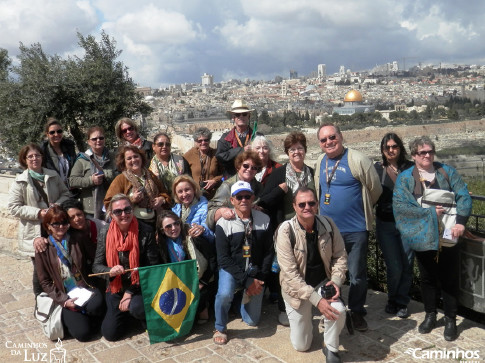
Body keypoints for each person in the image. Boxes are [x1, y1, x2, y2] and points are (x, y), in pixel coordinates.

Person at [393, 136, 472, 341]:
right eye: (422, 152)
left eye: (430, 151)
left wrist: (461, 222)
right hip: (422, 236)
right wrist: (429, 214)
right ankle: (430, 314)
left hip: (449, 234)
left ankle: (450, 319)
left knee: (449, 278)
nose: (427, 155)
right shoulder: (405, 178)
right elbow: (401, 208)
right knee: (427, 277)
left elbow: (463, 194)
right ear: (413, 155)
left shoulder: (447, 172)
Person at [314, 123, 382, 332]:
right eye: (324, 139)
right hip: (328, 230)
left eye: (332, 137)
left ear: (341, 137)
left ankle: (357, 311)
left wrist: (358, 210)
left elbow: (375, 190)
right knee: (330, 274)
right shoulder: (320, 161)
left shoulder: (357, 159)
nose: (329, 142)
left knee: (356, 274)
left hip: (355, 229)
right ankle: (337, 307)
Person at [276, 187, 347, 363]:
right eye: (302, 204)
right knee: (302, 345)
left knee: (338, 310)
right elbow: (290, 275)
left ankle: (330, 348)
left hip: (323, 282)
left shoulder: (328, 224)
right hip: (297, 290)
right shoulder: (286, 231)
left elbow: (340, 255)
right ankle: (296, 317)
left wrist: (336, 281)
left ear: (317, 204)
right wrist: (317, 301)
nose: (307, 207)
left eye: (311, 203)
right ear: (294, 206)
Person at [92, 194, 161, 341]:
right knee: (110, 334)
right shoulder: (104, 233)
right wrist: (109, 271)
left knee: (138, 308)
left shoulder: (145, 231)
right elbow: (96, 266)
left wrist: (130, 292)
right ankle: (126, 315)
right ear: (111, 214)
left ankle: (139, 313)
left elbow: (152, 267)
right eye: (118, 211)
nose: (124, 214)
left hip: (139, 285)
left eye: (127, 209)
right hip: (115, 286)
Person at [213, 181, 273, 345]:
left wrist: (259, 277)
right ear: (232, 200)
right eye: (239, 197)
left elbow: (269, 252)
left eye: (247, 196)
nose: (243, 200)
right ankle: (220, 326)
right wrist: (246, 280)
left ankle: (240, 300)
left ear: (252, 198)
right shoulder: (223, 223)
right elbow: (223, 258)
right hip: (232, 268)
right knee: (224, 294)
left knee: (252, 321)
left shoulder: (264, 219)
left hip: (255, 270)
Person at [8, 143, 71, 295]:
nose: (34, 158)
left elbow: (66, 194)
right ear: (25, 159)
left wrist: (57, 205)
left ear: (42, 157)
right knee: (40, 269)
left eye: (37, 155)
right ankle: (40, 300)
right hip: (35, 230)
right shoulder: (20, 181)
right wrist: (38, 213)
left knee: (58, 263)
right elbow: (14, 207)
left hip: (55, 228)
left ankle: (59, 295)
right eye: (30, 156)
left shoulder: (53, 175)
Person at [35, 205, 105, 341]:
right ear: (48, 226)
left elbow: (96, 258)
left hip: (84, 288)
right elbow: (45, 281)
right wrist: (64, 301)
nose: (61, 227)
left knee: (97, 306)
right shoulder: (43, 248)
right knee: (83, 334)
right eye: (56, 224)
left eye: (64, 223)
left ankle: (88, 316)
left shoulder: (78, 238)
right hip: (65, 294)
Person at [374, 133, 414, 318]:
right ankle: (392, 299)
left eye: (394, 146)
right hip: (386, 224)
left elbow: (431, 180)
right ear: (382, 150)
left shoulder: (411, 168)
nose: (391, 150)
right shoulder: (377, 169)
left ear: (400, 147)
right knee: (394, 265)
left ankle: (401, 301)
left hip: (407, 223)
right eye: (387, 147)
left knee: (407, 264)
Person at [157, 210, 216, 324]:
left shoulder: (194, 237)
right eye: (168, 226)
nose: (174, 228)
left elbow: (212, 260)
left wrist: (203, 282)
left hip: (201, 280)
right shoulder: (161, 245)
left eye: (176, 223)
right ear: (162, 230)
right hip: (177, 284)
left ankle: (204, 307)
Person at [104, 145, 171, 230]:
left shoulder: (150, 175)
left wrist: (162, 199)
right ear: (124, 162)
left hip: (155, 222)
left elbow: (165, 193)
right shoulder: (120, 179)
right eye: (129, 158)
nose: (133, 160)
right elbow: (108, 202)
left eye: (136, 156)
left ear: (141, 158)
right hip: (133, 226)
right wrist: (131, 200)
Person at [259, 131, 315, 227]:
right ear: (287, 153)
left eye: (300, 148)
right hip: (287, 227)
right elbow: (263, 202)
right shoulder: (279, 173)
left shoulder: (312, 173)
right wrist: (279, 191)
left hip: (310, 225)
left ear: (305, 150)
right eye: (292, 149)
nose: (296, 152)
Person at [206, 150, 263, 231]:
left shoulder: (259, 187)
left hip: (253, 228)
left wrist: (259, 209)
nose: (249, 169)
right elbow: (211, 212)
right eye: (246, 166)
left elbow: (265, 207)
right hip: (229, 229)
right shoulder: (227, 186)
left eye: (254, 168)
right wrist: (221, 211)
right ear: (238, 166)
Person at [69, 126, 116, 220]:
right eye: (94, 139)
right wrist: (91, 180)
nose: (98, 140)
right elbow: (72, 181)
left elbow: (120, 175)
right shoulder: (82, 160)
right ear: (89, 142)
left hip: (112, 206)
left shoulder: (113, 157)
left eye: (101, 138)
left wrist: (107, 174)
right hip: (90, 210)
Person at [216, 99, 260, 178]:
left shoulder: (257, 136)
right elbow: (220, 157)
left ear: (248, 116)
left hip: (253, 177)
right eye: (237, 114)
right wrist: (242, 150)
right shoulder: (226, 138)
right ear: (233, 117)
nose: (241, 117)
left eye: (244, 114)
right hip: (232, 177)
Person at [171, 175, 214, 243]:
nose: (184, 194)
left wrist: (203, 230)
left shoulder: (205, 208)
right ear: (176, 194)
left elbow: (212, 237)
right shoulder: (175, 210)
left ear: (194, 189)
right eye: (180, 191)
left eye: (187, 190)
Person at [184, 127, 223, 200]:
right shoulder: (189, 155)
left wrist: (215, 180)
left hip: (214, 195)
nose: (203, 143)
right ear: (196, 142)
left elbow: (224, 173)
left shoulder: (216, 154)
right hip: (195, 196)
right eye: (200, 141)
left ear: (209, 140)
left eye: (206, 140)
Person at [149, 132, 191, 197]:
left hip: (182, 199)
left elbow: (189, 181)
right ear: (153, 146)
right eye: (160, 144)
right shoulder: (149, 165)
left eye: (167, 144)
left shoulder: (180, 161)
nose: (164, 147)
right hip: (160, 202)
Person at [40, 117, 77, 187]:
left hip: (71, 190)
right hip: (54, 190)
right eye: (52, 132)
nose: (56, 134)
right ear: (47, 134)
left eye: (59, 131)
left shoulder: (70, 147)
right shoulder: (43, 151)